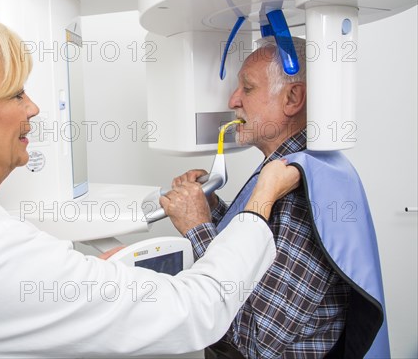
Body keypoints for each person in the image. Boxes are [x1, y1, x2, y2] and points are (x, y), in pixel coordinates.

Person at [0, 9, 303, 358]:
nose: (34, 109)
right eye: (15, 94)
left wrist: (97, 281)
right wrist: (259, 201)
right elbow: (198, 310)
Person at [161, 37, 389, 358]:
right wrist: (211, 210)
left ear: (292, 98)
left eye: (248, 88)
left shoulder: (302, 190)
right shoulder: (292, 163)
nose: (233, 99)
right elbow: (261, 253)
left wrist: (197, 227)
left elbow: (253, 341)